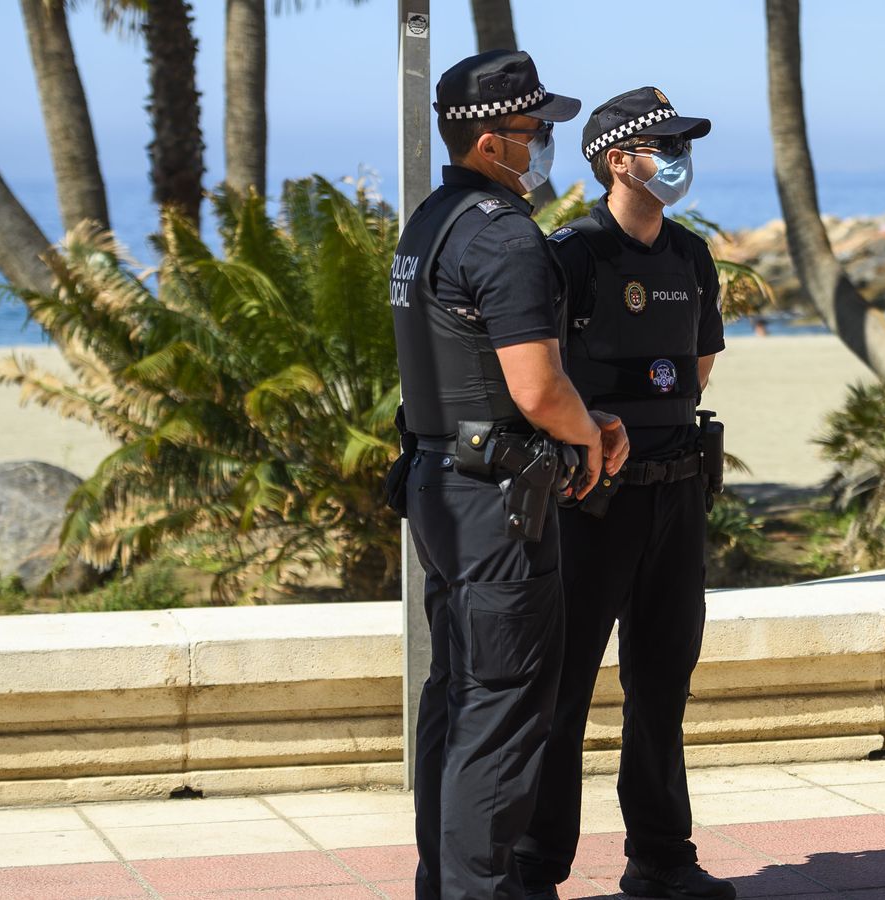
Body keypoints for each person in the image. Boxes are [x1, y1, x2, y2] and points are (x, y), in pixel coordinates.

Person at [387, 49, 628, 900]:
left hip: (437, 480)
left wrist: (577, 419)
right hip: (498, 501)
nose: (546, 145)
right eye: (537, 131)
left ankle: (442, 882)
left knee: (457, 696)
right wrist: (592, 437)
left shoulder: (429, 223)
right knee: (504, 712)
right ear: (494, 141)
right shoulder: (502, 232)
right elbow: (534, 384)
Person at [515, 87, 734, 900]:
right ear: (617, 160)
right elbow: (531, 375)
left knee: (663, 679)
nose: (679, 160)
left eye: (684, 145)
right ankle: (536, 867)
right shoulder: (571, 255)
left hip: (676, 495)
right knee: (562, 687)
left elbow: (700, 363)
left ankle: (662, 858)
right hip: (589, 502)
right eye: (664, 146)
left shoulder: (690, 255)